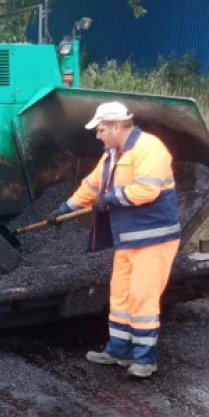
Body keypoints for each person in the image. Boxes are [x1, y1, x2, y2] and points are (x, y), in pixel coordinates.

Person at [48, 101, 181, 379]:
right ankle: (117, 351)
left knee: (142, 299)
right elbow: (92, 186)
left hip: (153, 240)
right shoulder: (112, 154)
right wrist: (64, 209)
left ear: (118, 126)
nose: (98, 135)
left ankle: (145, 360)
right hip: (127, 240)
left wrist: (109, 199)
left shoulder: (149, 148)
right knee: (120, 297)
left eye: (101, 129)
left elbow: (147, 190)